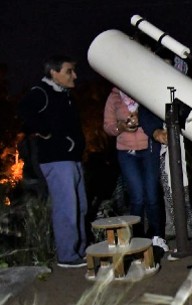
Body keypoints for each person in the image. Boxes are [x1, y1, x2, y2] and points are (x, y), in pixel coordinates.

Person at [18, 55, 88, 268]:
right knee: (66, 207)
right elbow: (24, 113)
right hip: (57, 160)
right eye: (69, 71)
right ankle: (67, 256)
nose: (74, 75)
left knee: (80, 206)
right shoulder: (41, 92)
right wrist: (45, 132)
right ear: (53, 73)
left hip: (71, 158)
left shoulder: (64, 94)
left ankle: (80, 250)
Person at [103, 87, 167, 253]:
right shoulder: (114, 97)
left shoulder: (141, 90)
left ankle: (157, 237)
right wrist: (121, 126)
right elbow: (108, 126)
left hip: (149, 149)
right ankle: (137, 239)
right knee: (137, 197)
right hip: (127, 153)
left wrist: (142, 119)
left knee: (152, 194)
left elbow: (155, 116)